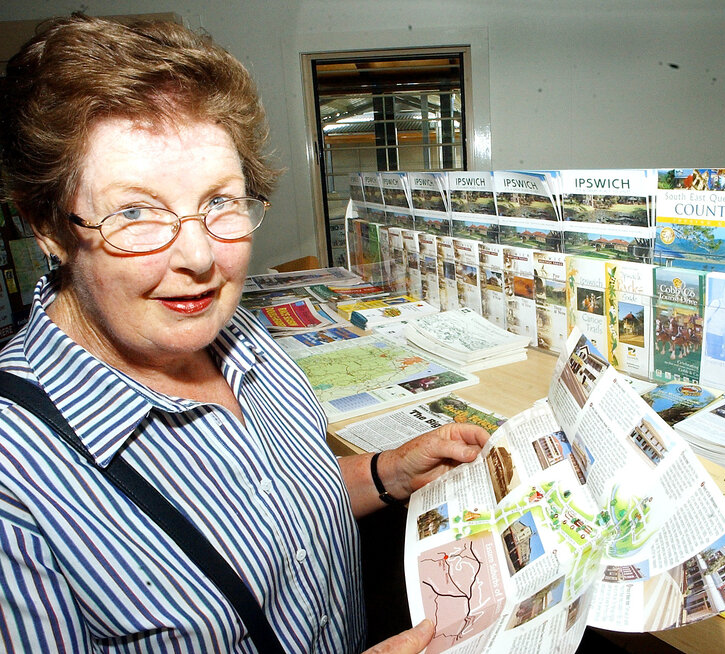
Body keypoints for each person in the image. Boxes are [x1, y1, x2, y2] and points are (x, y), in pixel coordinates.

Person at [0, 14, 489, 653]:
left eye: (219, 201)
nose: (202, 259)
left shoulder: (247, 340)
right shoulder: (15, 486)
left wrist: (385, 474)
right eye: (136, 211)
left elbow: (263, 502)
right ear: (48, 226)